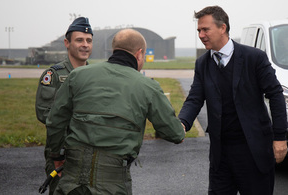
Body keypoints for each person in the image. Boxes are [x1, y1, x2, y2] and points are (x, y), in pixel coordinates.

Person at [45, 28, 185, 195]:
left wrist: (56, 156)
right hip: (112, 181)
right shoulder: (148, 87)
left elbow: (55, 120)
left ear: (114, 50)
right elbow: (174, 133)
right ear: (139, 54)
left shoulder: (77, 75)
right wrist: (181, 130)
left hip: (71, 177)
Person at [178, 6, 287, 195]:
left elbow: (276, 95)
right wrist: (182, 123)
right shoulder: (202, 63)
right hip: (221, 156)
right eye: (199, 31)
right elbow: (195, 98)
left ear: (222, 27)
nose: (201, 35)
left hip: (254, 153)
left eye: (205, 29)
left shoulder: (254, 58)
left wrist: (280, 138)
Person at [35, 17, 93, 195]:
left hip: (91, 152)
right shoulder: (54, 75)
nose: (85, 45)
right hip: (62, 151)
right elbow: (45, 113)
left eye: (89, 40)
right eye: (79, 40)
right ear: (67, 43)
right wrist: (57, 155)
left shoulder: (95, 76)